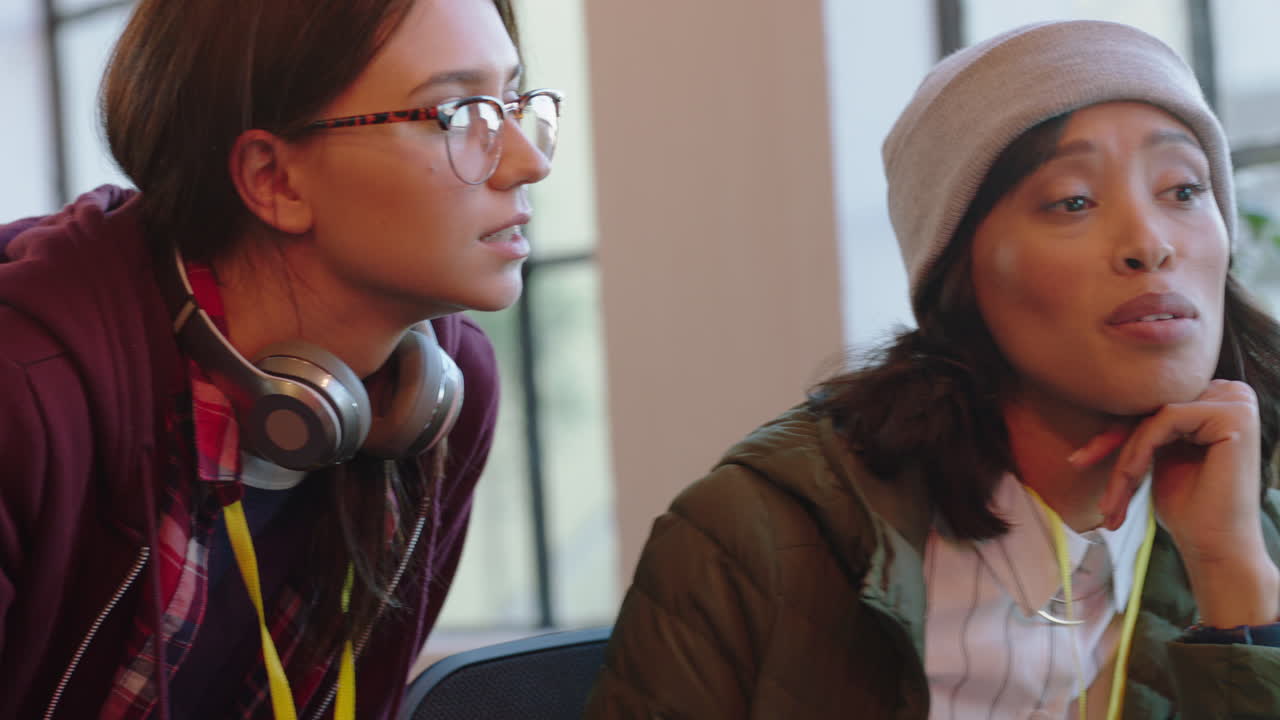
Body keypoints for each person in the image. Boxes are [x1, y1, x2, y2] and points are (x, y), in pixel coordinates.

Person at [586, 19, 1280, 720]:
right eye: (1073, 201)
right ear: (957, 272)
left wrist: (1233, 576)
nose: (1149, 244)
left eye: (1185, 191)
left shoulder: (1256, 523)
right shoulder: (753, 534)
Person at [0, 0, 560, 717]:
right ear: (274, 178)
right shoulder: (26, 398)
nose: (529, 161)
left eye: (513, 101)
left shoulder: (443, 395)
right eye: (456, 113)